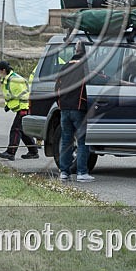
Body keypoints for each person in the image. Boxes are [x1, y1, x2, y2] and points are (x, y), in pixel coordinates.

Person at [55, 41, 93, 182]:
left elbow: (56, 87)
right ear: (86, 51)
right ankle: (82, 172)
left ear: (75, 50)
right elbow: (99, 77)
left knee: (66, 141)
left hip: (64, 109)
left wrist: (60, 104)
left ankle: (64, 172)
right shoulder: (85, 66)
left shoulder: (65, 66)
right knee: (83, 141)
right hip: (79, 108)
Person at [0, 60, 39, 161]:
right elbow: (11, 95)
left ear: (3, 70)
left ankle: (11, 152)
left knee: (15, 130)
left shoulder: (15, 80)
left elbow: (25, 95)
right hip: (22, 108)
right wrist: (8, 105)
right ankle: (33, 151)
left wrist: (24, 108)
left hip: (23, 108)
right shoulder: (8, 79)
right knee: (22, 131)